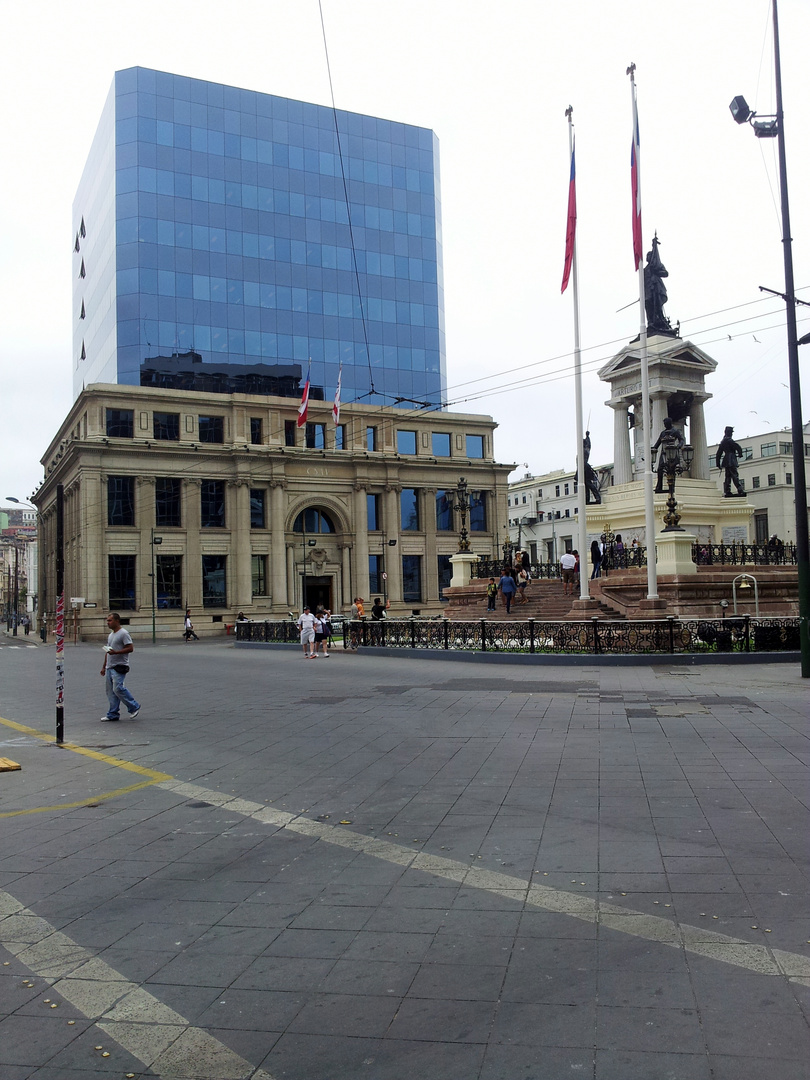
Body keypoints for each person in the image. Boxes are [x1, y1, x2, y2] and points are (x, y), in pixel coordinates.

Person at [100, 612, 140, 722]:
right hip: (110, 666)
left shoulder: (123, 633)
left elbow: (130, 648)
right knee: (110, 692)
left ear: (117, 621)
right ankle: (113, 714)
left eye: (110, 620)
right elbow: (108, 651)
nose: (108, 623)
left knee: (118, 688)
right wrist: (104, 666)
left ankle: (133, 706)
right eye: (107, 620)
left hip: (120, 665)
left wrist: (116, 652)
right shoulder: (111, 634)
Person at [652, 417, 685, 493]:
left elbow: (681, 439)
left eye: (666, 424)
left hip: (672, 452)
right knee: (660, 469)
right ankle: (659, 486)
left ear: (669, 423)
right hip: (663, 453)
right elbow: (657, 444)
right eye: (664, 424)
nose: (665, 425)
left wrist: (679, 446)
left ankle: (672, 486)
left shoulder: (675, 431)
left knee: (672, 469)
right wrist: (651, 451)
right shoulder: (663, 433)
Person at [715, 426, 746, 497]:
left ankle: (727, 491)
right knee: (735, 475)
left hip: (726, 461)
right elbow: (737, 447)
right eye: (731, 433)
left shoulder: (723, 442)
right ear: (729, 433)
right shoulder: (730, 440)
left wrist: (718, 464)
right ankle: (740, 489)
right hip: (731, 459)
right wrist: (740, 453)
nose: (732, 434)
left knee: (728, 477)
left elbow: (718, 454)